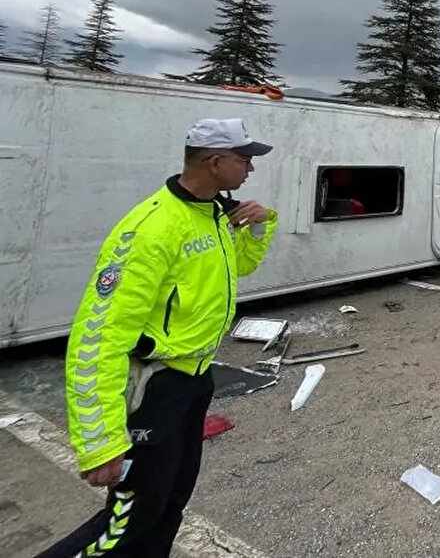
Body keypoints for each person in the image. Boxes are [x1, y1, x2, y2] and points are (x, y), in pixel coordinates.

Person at [41, 119, 277, 558]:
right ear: (215, 161)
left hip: (195, 380)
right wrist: (100, 440)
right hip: (155, 391)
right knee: (126, 523)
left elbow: (237, 269)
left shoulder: (213, 215)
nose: (250, 168)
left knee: (168, 507)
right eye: (245, 159)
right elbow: (98, 335)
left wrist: (260, 226)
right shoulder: (151, 228)